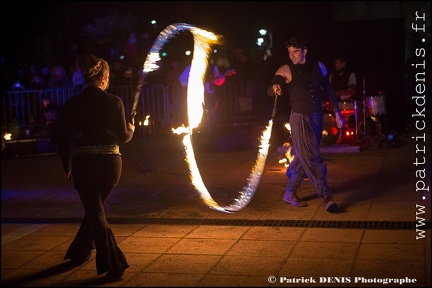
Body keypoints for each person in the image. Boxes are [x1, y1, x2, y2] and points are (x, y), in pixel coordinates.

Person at [58, 55, 135, 281]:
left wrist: (67, 165)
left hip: (84, 164)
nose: (108, 81)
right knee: (96, 210)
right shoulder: (114, 102)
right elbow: (122, 137)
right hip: (111, 165)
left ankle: (111, 263)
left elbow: (63, 140)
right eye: (108, 77)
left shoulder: (73, 104)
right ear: (102, 78)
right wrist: (132, 130)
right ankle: (83, 252)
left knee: (95, 211)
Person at [268, 35, 344, 212]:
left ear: (304, 51)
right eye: (289, 52)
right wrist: (275, 86)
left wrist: (337, 113)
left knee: (305, 156)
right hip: (299, 119)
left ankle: (290, 191)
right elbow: (274, 82)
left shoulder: (319, 66)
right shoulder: (286, 68)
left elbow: (329, 90)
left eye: (295, 51)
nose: (292, 55)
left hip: (316, 117)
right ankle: (326, 195)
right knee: (312, 156)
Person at [179, 59, 226, 135]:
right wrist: (191, 83)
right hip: (196, 94)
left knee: (212, 112)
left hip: (209, 94)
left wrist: (221, 78)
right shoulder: (191, 67)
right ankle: (199, 131)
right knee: (198, 113)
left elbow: (218, 81)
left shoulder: (212, 68)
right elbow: (182, 79)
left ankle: (214, 131)